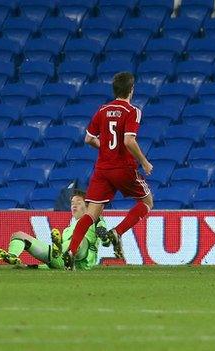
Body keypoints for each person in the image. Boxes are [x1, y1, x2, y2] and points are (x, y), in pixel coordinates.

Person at [62, 72, 154, 270]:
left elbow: (88, 139)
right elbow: (129, 140)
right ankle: (117, 232)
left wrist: (105, 147)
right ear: (131, 90)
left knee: (91, 214)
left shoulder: (102, 110)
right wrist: (144, 162)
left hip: (102, 169)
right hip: (123, 168)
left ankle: (71, 250)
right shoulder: (132, 111)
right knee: (147, 202)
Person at [0, 189, 109, 270]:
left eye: (79, 203)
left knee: (80, 240)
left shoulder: (94, 219)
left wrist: (103, 235)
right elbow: (56, 266)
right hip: (61, 260)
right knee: (18, 235)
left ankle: (59, 250)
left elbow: (103, 235)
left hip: (81, 263)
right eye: (72, 203)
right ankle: (12, 256)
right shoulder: (67, 230)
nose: (74, 205)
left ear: (88, 206)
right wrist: (34, 267)